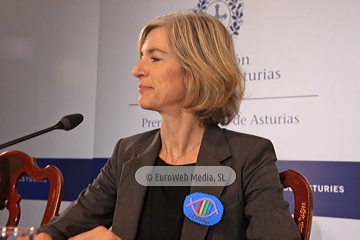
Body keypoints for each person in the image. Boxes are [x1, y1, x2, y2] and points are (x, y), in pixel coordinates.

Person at [35, 10, 301, 240]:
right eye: (141, 56)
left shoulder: (249, 156)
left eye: (155, 58)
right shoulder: (128, 152)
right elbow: (59, 229)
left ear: (198, 70)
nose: (137, 69)